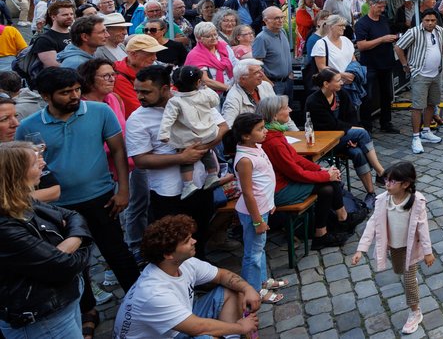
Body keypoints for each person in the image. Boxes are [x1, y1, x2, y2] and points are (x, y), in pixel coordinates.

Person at [18, 66, 139, 329]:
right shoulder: (28, 127)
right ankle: (88, 312)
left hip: (102, 198)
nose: (74, 96)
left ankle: (141, 300)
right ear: (46, 97)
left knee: (117, 252)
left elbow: (119, 151)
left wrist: (123, 190)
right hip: (58, 209)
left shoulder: (99, 112)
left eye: (76, 90)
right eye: (65, 92)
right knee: (75, 262)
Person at [111, 214, 261, 338]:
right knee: (206, 337)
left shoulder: (183, 263)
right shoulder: (154, 293)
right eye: (186, 241)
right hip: (169, 334)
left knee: (232, 291)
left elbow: (222, 275)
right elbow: (198, 328)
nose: (194, 241)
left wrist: (247, 288)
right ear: (168, 254)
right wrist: (239, 327)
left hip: (175, 328)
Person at [0, 141, 93, 339]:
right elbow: (62, 266)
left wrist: (73, 239)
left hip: (61, 306)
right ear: (14, 174)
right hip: (43, 320)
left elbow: (73, 216)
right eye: (34, 163)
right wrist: (81, 239)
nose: (42, 165)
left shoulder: (21, 199)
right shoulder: (4, 226)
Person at [127, 65, 227, 248]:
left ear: (165, 88)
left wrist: (201, 148)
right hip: (168, 194)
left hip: (201, 184)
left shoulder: (193, 98)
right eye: (137, 91)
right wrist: (181, 158)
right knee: (172, 245)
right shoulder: (137, 119)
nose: (139, 96)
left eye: (146, 92)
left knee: (200, 238)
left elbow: (223, 127)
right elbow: (140, 160)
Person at [350, 160, 437, 335]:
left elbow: (423, 228)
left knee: (409, 279)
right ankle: (410, 279)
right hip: (394, 247)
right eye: (386, 180)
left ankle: (415, 312)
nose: (386, 184)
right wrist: (361, 249)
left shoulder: (416, 202)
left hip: (410, 248)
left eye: (391, 181)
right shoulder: (383, 201)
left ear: (405, 184)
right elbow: (372, 224)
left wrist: (428, 252)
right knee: (399, 270)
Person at [258, 95, 351, 248]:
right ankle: (326, 231)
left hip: (283, 182)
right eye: (286, 108)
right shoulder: (273, 141)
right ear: (275, 115)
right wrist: (325, 175)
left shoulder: (276, 134)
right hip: (278, 190)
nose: (290, 110)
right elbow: (295, 172)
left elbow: (296, 159)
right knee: (327, 187)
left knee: (330, 182)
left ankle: (339, 221)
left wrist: (321, 169)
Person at [229, 112, 290, 303]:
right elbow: (248, 193)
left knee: (259, 248)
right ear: (246, 136)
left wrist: (269, 204)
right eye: (260, 129)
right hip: (253, 212)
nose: (265, 131)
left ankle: (262, 280)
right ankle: (254, 290)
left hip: (262, 207)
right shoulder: (245, 159)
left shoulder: (255, 147)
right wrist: (257, 220)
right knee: (253, 253)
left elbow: (263, 182)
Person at [306, 68, 387, 205]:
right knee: (362, 132)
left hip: (343, 138)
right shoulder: (314, 101)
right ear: (326, 84)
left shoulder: (341, 94)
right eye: (338, 80)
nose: (342, 83)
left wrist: (351, 137)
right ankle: (380, 171)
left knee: (357, 152)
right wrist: (353, 132)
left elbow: (352, 117)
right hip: (326, 142)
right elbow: (331, 125)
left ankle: (371, 193)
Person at [159, 66, 222, 199]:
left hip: (188, 138)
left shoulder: (175, 101)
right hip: (208, 133)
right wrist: (205, 88)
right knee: (207, 152)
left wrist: (163, 134)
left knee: (186, 159)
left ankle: (188, 184)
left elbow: (167, 119)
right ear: (199, 82)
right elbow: (215, 100)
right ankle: (212, 175)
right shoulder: (205, 94)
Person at [355, 0, 406, 134]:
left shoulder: (384, 21)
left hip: (386, 62)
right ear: (371, 5)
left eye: (384, 7)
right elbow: (362, 46)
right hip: (370, 65)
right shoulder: (362, 23)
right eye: (379, 7)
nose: (382, 9)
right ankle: (366, 125)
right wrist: (382, 39)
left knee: (387, 94)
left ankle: (386, 122)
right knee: (368, 96)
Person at [398, 9, 443, 154]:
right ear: (422, 20)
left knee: (432, 103)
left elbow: (442, 46)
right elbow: (399, 47)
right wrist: (405, 65)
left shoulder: (440, 31)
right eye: (427, 20)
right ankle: (415, 136)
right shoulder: (414, 32)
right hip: (420, 74)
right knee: (418, 106)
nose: (430, 23)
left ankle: (426, 131)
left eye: (433, 20)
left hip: (436, 73)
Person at [251, 7, 294, 99]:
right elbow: (257, 65)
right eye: (276, 18)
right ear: (265, 20)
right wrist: (270, 83)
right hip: (274, 84)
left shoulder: (282, 32)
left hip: (287, 81)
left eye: (282, 17)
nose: (281, 20)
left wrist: (290, 74)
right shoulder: (261, 38)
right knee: (277, 112)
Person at [184, 21, 233, 96]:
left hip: (230, 90)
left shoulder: (224, 46)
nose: (214, 38)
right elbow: (205, 80)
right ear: (199, 38)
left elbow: (236, 64)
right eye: (208, 36)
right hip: (208, 95)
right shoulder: (195, 55)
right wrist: (229, 88)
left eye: (215, 34)